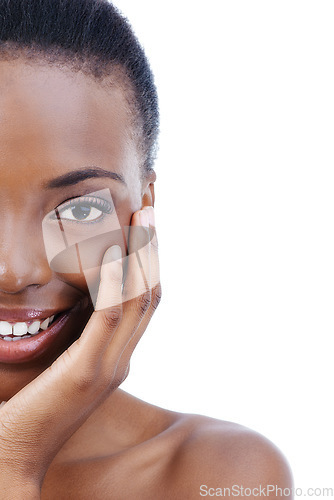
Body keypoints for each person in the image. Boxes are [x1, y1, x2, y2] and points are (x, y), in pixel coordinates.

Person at [0, 0, 293, 498]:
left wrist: (13, 458)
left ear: (144, 211)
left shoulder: (219, 474)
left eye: (81, 210)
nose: (14, 270)